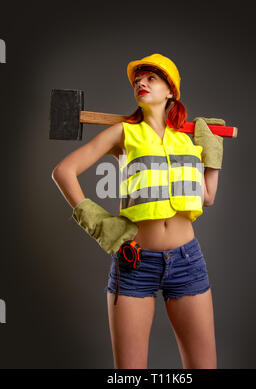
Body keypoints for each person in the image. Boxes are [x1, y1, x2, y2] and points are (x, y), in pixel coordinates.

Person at [52, 53, 224, 369]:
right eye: (137, 80)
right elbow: (64, 170)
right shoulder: (123, 134)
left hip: (188, 261)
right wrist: (97, 220)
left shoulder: (187, 139)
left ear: (171, 91)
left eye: (151, 78)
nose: (141, 83)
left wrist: (211, 156)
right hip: (135, 264)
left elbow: (208, 197)